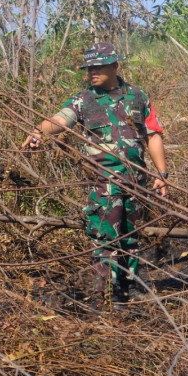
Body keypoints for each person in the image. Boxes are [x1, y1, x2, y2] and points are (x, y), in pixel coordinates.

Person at [23, 42, 169, 307]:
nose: (91, 71)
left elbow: (153, 134)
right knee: (103, 238)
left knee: (132, 236)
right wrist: (38, 132)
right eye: (88, 67)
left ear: (114, 66)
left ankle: (129, 290)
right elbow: (60, 120)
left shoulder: (138, 96)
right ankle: (99, 296)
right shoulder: (84, 100)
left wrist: (162, 174)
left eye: (97, 66)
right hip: (104, 184)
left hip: (136, 182)